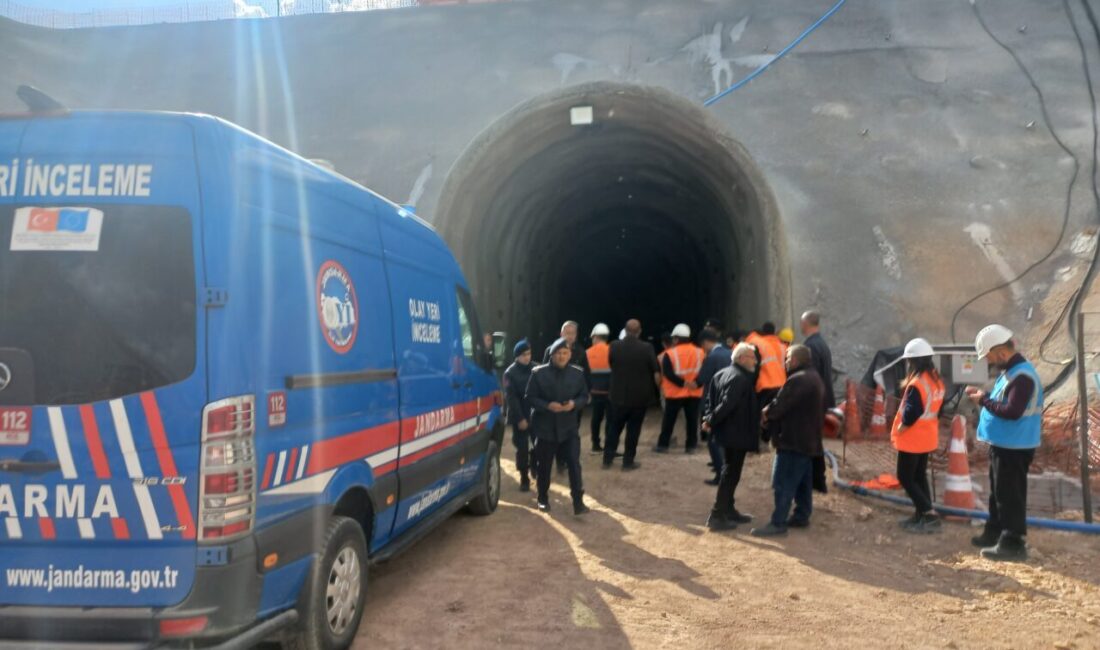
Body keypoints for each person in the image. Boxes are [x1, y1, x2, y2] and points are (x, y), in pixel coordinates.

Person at [965, 324, 1043, 562]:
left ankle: (1013, 543)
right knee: (999, 492)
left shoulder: (1022, 377)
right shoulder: (1011, 372)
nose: (988, 362)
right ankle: (994, 532)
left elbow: (1012, 411)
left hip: (1015, 446)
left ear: (1001, 352)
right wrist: (986, 398)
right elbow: (1005, 403)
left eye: (989, 357)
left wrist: (983, 400)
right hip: (1005, 444)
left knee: (1010, 494)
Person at [751, 344, 825, 537]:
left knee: (782, 482)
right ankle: (801, 515)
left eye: (787, 358)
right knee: (802, 482)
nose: (785, 362)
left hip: (792, 440)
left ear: (795, 360)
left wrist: (766, 412)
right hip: (807, 440)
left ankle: (778, 522)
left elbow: (781, 405)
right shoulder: (814, 377)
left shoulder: (798, 379)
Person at [527, 338, 591, 515]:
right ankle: (542, 498)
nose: (562, 356)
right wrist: (547, 405)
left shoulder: (577, 374)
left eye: (565, 353)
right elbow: (530, 397)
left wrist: (574, 404)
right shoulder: (538, 374)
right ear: (552, 355)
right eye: (558, 353)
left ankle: (578, 502)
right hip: (545, 428)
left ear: (570, 355)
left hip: (568, 428)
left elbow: (584, 396)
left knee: (574, 464)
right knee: (544, 466)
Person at [891, 338, 946, 534]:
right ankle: (921, 515)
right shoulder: (936, 380)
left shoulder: (917, 383)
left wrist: (902, 427)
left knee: (905, 477)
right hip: (927, 437)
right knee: (919, 476)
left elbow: (912, 412)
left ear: (912, 361)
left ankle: (929, 514)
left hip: (912, 439)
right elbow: (939, 409)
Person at [702, 343, 759, 530]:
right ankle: (717, 514)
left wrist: (709, 418)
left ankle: (728, 509)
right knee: (730, 474)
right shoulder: (739, 378)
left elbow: (709, 401)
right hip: (736, 433)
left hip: (727, 433)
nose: (755, 361)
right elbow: (727, 404)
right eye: (752, 357)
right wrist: (710, 420)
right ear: (741, 358)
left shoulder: (721, 374)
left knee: (731, 472)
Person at [604, 319, 661, 470]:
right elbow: (655, 371)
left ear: (625, 330)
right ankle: (628, 462)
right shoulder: (647, 348)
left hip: (617, 396)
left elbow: (611, 363)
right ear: (639, 331)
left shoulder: (614, 346)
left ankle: (607, 459)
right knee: (633, 430)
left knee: (614, 429)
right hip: (639, 398)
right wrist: (659, 391)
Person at [654, 323, 705, 453]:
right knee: (692, 420)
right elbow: (705, 371)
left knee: (669, 421)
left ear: (676, 339)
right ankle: (691, 446)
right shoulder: (700, 352)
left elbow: (668, 373)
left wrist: (683, 383)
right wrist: (697, 383)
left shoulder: (670, 353)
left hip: (675, 393)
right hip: (694, 392)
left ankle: (663, 445)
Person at [801, 310, 835, 493]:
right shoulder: (821, 344)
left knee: (811, 441)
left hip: (814, 402)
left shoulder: (811, 346)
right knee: (814, 440)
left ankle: (818, 480)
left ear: (805, 323)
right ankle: (818, 480)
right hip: (822, 400)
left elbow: (810, 378)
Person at [697, 328, 732, 485]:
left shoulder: (712, 357)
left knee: (713, 439)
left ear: (705, 342)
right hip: (729, 399)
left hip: (713, 401)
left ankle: (720, 474)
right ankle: (728, 469)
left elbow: (702, 378)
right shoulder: (730, 352)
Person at [745, 322, 788, 441]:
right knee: (776, 413)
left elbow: (755, 366)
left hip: (765, 383)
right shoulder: (782, 346)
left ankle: (765, 438)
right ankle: (774, 437)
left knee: (763, 414)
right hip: (781, 382)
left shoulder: (758, 344)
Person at [503, 339, 536, 491]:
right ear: (517, 356)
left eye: (528, 354)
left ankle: (535, 466)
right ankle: (524, 476)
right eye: (523, 355)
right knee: (522, 447)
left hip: (535, 413)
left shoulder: (536, 369)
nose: (527, 357)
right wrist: (520, 418)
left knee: (539, 445)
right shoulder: (510, 373)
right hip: (520, 414)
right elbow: (511, 398)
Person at [586, 323, 613, 453]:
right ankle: (609, 446)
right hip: (610, 391)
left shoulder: (587, 353)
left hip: (595, 391)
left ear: (596, 337)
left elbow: (585, 374)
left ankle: (595, 445)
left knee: (596, 418)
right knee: (610, 419)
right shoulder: (612, 351)